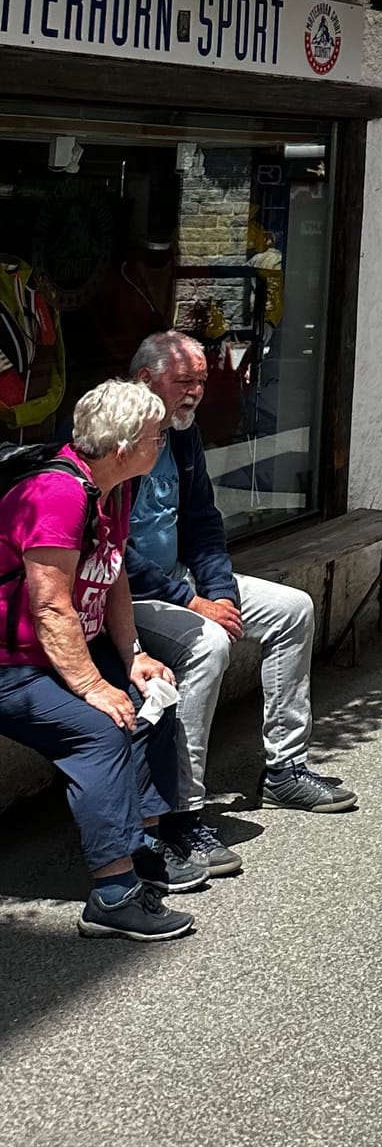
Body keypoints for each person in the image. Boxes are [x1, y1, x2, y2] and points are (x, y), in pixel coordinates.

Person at [0, 377, 205, 940]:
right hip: (11, 661)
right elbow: (48, 607)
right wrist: (94, 687)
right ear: (123, 447)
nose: (164, 442)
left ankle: (141, 846)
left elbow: (110, 573)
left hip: (55, 651)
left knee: (151, 698)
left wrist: (133, 655)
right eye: (156, 435)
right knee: (99, 729)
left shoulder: (113, 487)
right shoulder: (59, 494)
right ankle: (112, 896)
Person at [127, 330, 355, 831]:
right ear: (145, 379)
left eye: (202, 381)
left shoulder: (182, 430)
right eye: (184, 380)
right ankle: (181, 811)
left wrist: (220, 593)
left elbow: (205, 524)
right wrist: (191, 600)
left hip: (180, 580)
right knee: (208, 643)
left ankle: (285, 769)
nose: (196, 392)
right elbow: (110, 552)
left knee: (293, 609)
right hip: (129, 597)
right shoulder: (117, 436)